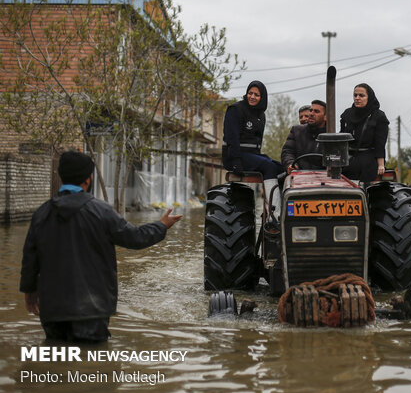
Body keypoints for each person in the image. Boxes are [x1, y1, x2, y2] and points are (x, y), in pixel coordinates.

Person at [20, 151, 182, 342]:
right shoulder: (101, 211)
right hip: (92, 310)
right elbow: (135, 238)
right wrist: (161, 225)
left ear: (61, 175)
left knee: (56, 361)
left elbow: (30, 257)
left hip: (53, 309)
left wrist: (29, 291)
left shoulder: (42, 213)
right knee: (94, 366)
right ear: (88, 180)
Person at [222, 80, 284, 219]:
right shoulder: (236, 109)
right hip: (234, 157)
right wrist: (236, 160)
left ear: (262, 98)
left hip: (251, 156)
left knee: (281, 168)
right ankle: (275, 216)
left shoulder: (261, 115)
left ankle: (283, 208)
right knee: (268, 167)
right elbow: (232, 137)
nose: (252, 97)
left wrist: (260, 159)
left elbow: (257, 142)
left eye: (256, 94)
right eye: (250, 93)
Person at [340, 83, 389, 182]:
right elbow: (341, 137)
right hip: (348, 158)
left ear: (369, 97)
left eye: (361, 95)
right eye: (355, 95)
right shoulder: (347, 114)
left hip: (368, 159)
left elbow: (380, 143)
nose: (357, 98)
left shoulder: (378, 116)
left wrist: (381, 165)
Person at [281, 100, 327, 174]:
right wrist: (290, 164)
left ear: (325, 117)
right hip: (298, 175)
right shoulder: (296, 131)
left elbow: (334, 160)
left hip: (323, 177)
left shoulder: (330, 137)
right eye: (311, 110)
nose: (311, 114)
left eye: (316, 111)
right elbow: (287, 152)